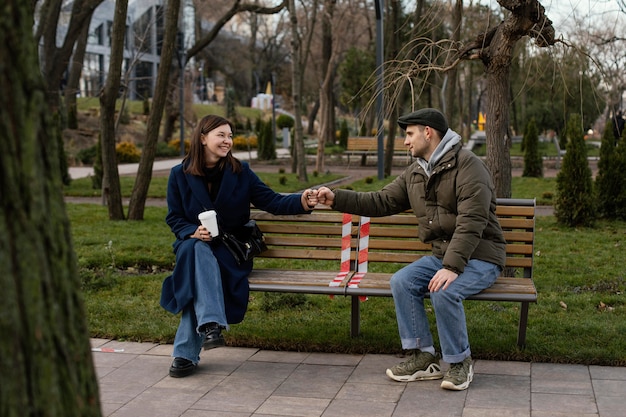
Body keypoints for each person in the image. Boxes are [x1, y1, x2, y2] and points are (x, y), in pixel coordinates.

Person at [315, 108, 506, 391]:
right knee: (402, 281)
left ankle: (459, 363)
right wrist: (336, 198)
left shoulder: (469, 166)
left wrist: (451, 268)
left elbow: (472, 222)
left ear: (428, 132)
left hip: (480, 256)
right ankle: (423, 357)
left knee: (444, 289)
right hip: (444, 255)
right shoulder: (416, 172)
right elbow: (380, 201)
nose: (405, 141)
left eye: (409, 134)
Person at [160, 114, 318, 378]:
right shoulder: (179, 174)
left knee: (197, 268)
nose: (227, 141)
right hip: (193, 245)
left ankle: (188, 350)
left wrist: (302, 201)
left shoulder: (240, 172)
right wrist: (193, 231)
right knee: (196, 250)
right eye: (221, 135)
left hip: (230, 251)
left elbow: (272, 201)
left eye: (230, 135)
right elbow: (174, 217)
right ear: (202, 138)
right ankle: (209, 326)